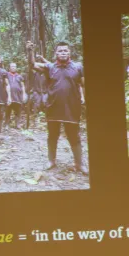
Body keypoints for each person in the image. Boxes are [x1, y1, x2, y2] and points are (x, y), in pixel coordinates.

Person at [27, 41, 88, 174]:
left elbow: (83, 84)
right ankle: (51, 161)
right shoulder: (50, 67)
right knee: (52, 135)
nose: (63, 53)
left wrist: (84, 99)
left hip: (72, 107)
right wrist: (30, 51)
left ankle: (79, 164)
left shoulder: (78, 67)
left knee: (74, 136)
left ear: (69, 52)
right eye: (60, 51)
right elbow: (33, 65)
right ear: (56, 53)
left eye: (65, 50)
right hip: (53, 107)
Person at [5, 63, 26, 129]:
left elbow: (22, 86)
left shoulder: (19, 76)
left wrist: (24, 94)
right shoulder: (6, 75)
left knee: (18, 111)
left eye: (14, 66)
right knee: (8, 110)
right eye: (12, 66)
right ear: (9, 68)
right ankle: (7, 124)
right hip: (9, 96)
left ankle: (17, 124)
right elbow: (5, 84)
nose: (13, 68)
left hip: (18, 96)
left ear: (16, 68)